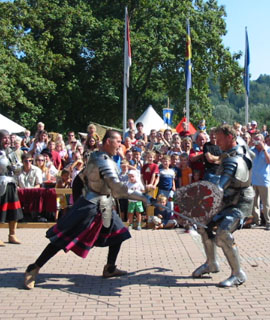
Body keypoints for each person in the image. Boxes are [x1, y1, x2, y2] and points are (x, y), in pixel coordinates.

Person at [24, 130, 153, 290]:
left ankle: (110, 268)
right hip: (90, 206)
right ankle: (34, 268)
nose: (120, 145)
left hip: (103, 204)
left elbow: (80, 179)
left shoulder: (97, 157)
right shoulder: (104, 162)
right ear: (107, 141)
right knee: (63, 238)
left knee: (119, 233)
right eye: (117, 141)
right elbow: (118, 190)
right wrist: (144, 197)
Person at [192, 124, 254, 287]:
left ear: (229, 137)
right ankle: (211, 263)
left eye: (219, 139)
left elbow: (220, 187)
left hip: (241, 201)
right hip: (229, 198)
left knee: (223, 232)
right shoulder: (235, 150)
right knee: (203, 224)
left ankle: (238, 274)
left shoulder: (233, 160)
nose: (216, 143)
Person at [0, 130, 23, 245]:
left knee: (14, 210)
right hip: (0, 183)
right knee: (0, 211)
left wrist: (15, 168)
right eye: (4, 138)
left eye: (8, 138)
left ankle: (12, 235)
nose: (7, 140)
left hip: (11, 183)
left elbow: (19, 167)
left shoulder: (12, 153)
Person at [250, 133, 270, 229]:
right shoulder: (252, 150)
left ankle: (268, 222)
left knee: (266, 203)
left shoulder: (268, 149)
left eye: (258, 140)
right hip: (253, 180)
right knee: (255, 203)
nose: (256, 142)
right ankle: (256, 221)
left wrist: (264, 149)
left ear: (262, 141)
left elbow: (268, 161)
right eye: (255, 140)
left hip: (264, 180)